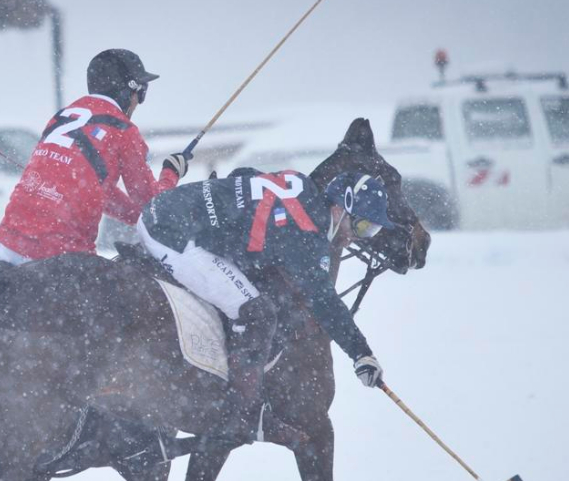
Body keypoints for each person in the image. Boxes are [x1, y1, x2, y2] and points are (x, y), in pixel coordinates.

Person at [137, 168, 391, 443]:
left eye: (372, 230)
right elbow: (325, 303)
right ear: (343, 205)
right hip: (173, 235)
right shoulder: (306, 237)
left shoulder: (301, 184)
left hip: (162, 208)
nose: (358, 237)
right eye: (364, 226)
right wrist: (361, 353)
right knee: (258, 313)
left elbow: (244, 172)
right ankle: (238, 414)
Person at [0, 49, 189, 263]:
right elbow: (151, 205)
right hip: (59, 256)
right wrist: (171, 173)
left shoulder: (63, 115)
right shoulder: (123, 130)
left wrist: (136, 217)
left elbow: (92, 187)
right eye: (141, 93)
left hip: (8, 243)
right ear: (129, 91)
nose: (138, 102)